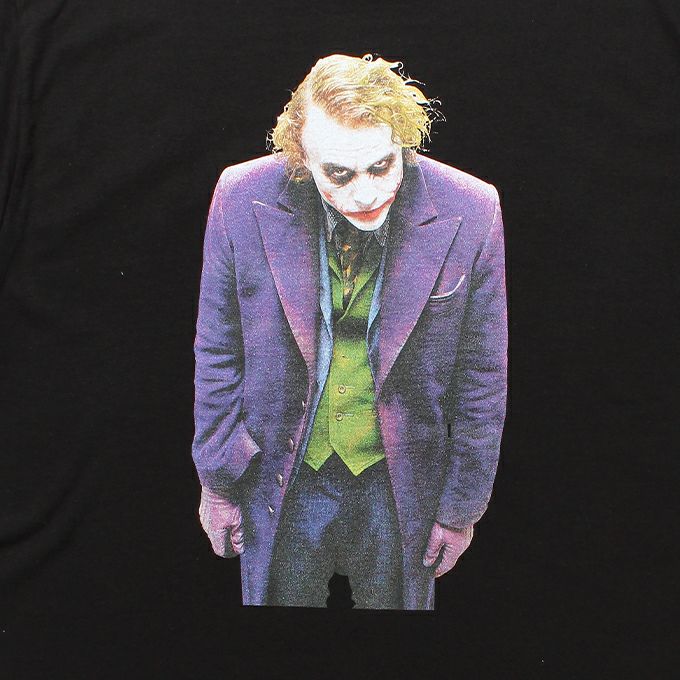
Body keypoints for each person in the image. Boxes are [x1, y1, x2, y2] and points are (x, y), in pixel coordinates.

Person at [192, 54, 507, 610]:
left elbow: (483, 377)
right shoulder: (239, 195)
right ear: (300, 158)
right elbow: (218, 347)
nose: (366, 192)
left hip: (400, 486)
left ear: (403, 140)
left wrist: (461, 510)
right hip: (279, 476)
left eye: (382, 166)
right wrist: (217, 481)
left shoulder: (474, 209)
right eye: (339, 174)